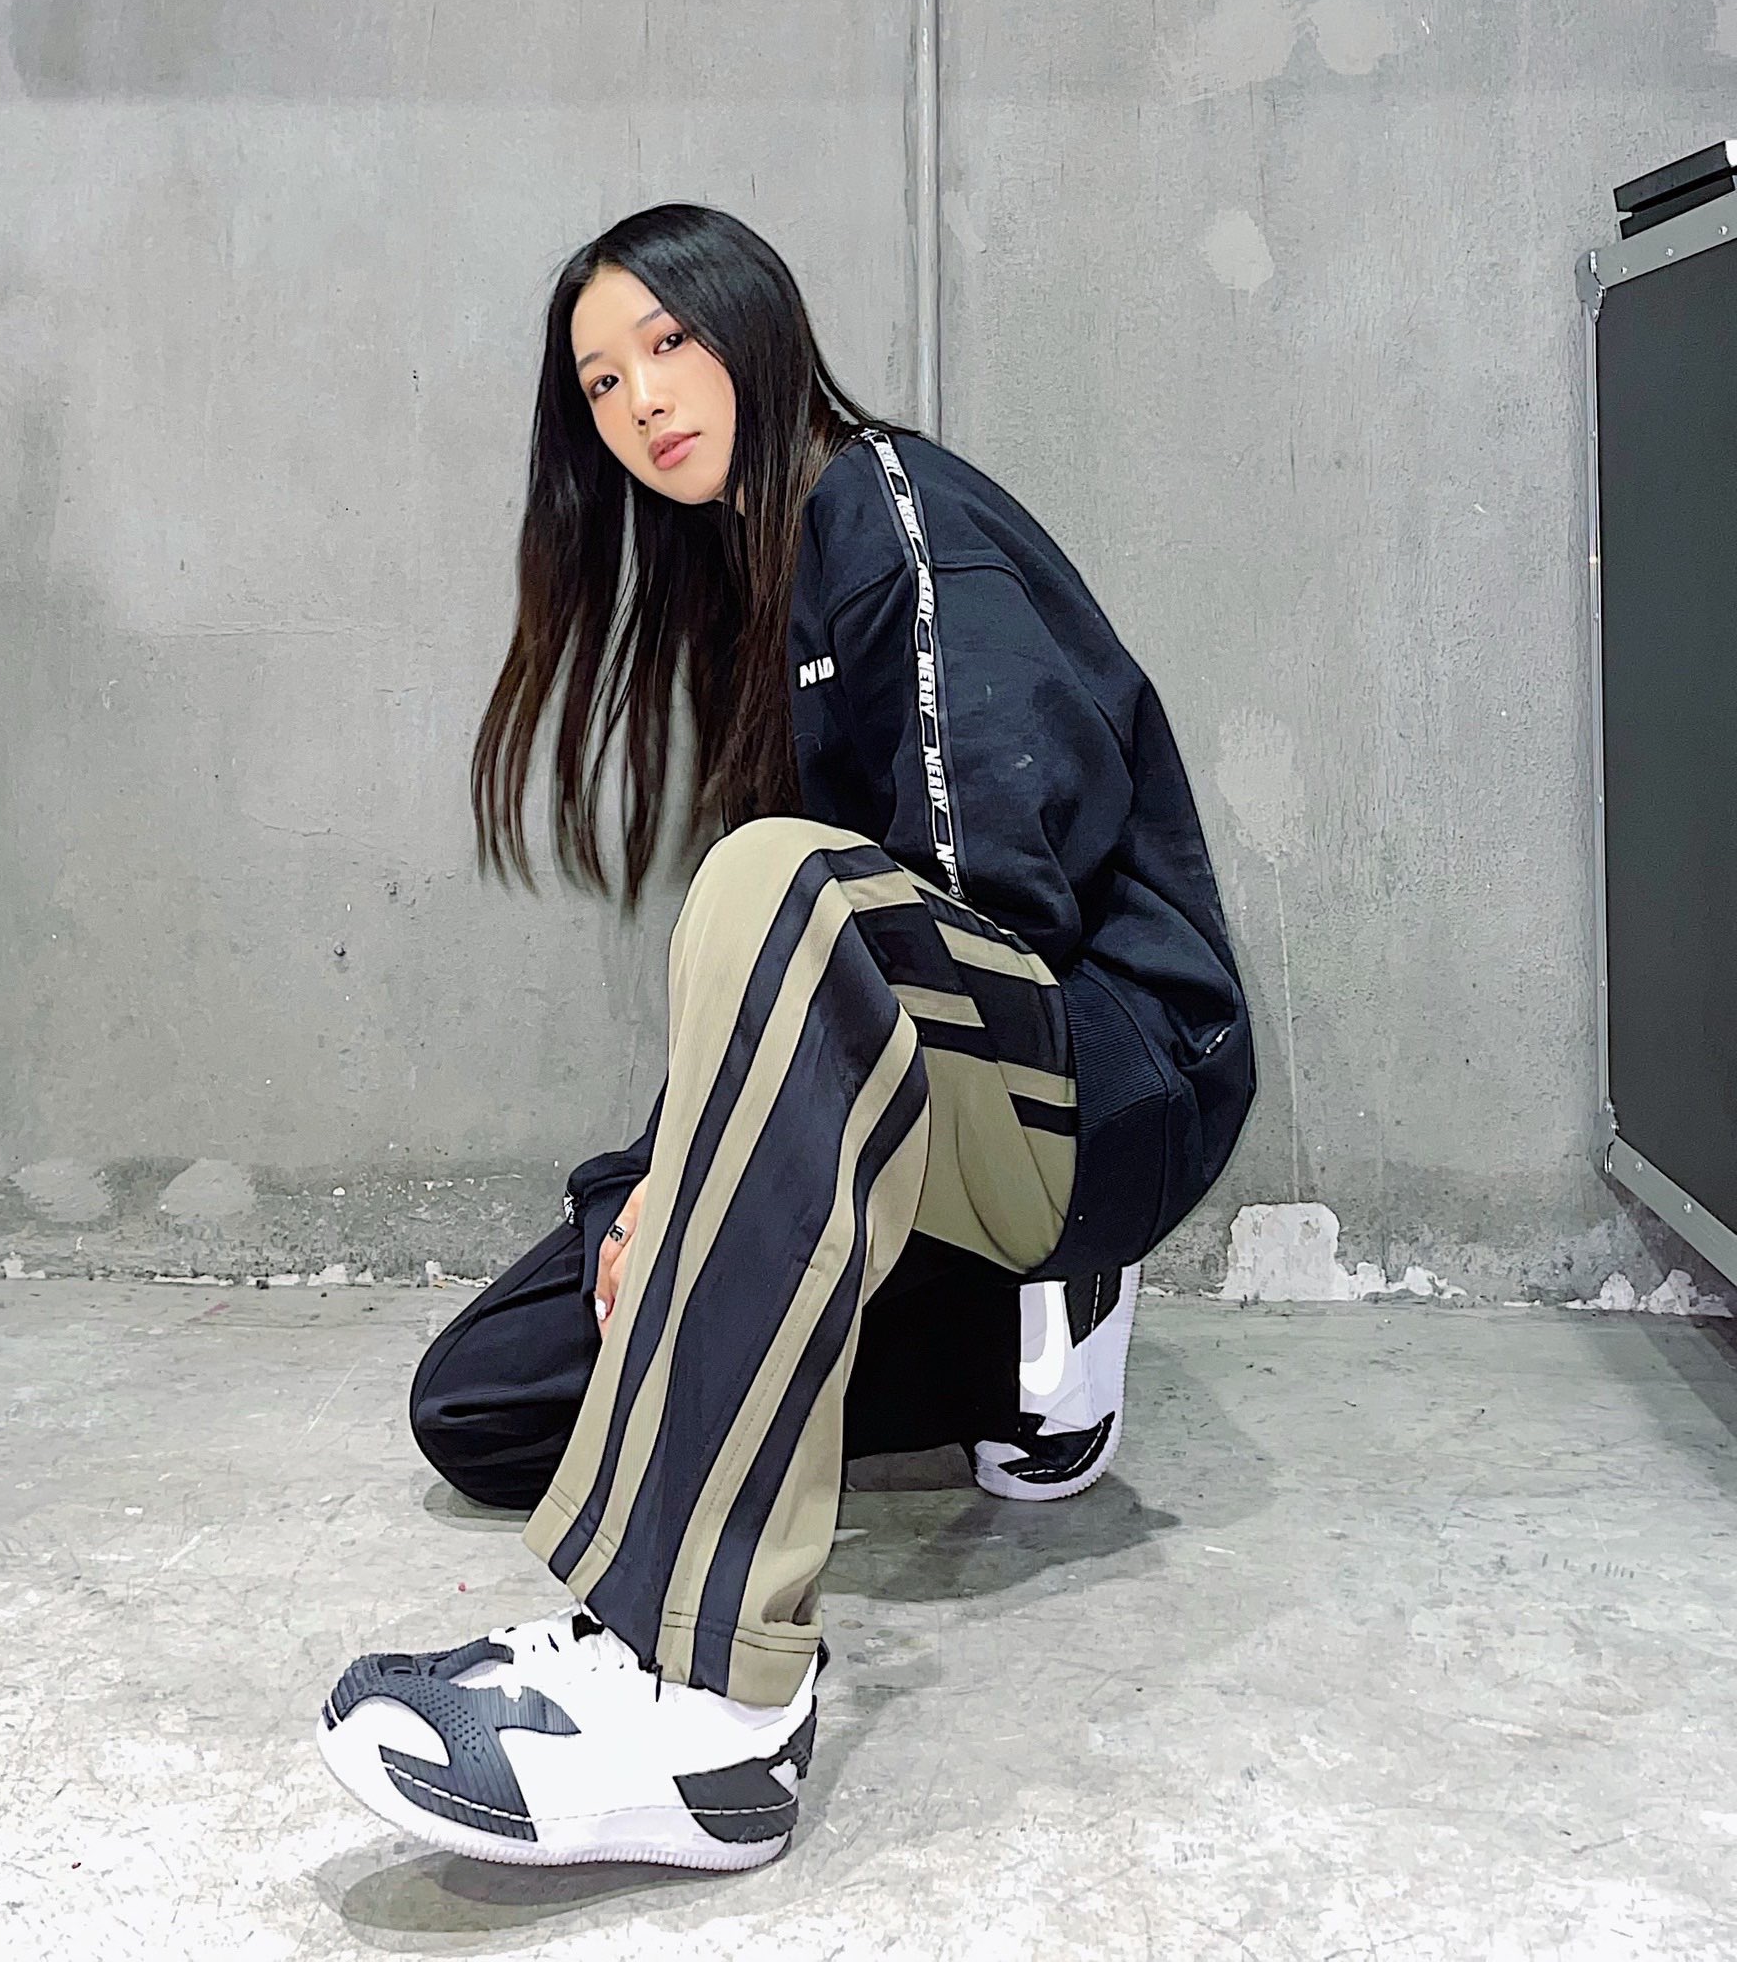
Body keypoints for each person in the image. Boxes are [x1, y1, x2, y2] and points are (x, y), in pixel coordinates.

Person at [317, 204, 1253, 1870]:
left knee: (775, 882)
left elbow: (968, 908)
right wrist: (641, 1203)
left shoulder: (891, 514)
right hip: (916, 1083)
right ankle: (1008, 1353)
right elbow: (778, 997)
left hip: (1097, 1082)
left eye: (668, 344)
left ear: (754, 323)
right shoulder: (748, 591)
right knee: (487, 1400)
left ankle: (707, 1711)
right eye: (602, 383)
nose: (642, 402)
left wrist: (688, 1188)